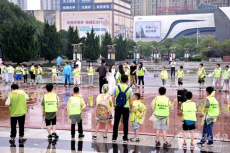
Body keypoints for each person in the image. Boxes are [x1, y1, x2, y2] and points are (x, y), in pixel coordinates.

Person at [112, 75, 133, 143]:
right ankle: (125, 138)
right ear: (127, 81)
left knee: (116, 121)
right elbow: (131, 100)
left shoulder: (116, 87)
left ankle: (114, 137)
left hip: (118, 106)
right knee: (126, 122)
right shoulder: (129, 89)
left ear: (121, 80)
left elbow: (113, 97)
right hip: (126, 107)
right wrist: (131, 108)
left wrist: (114, 105)